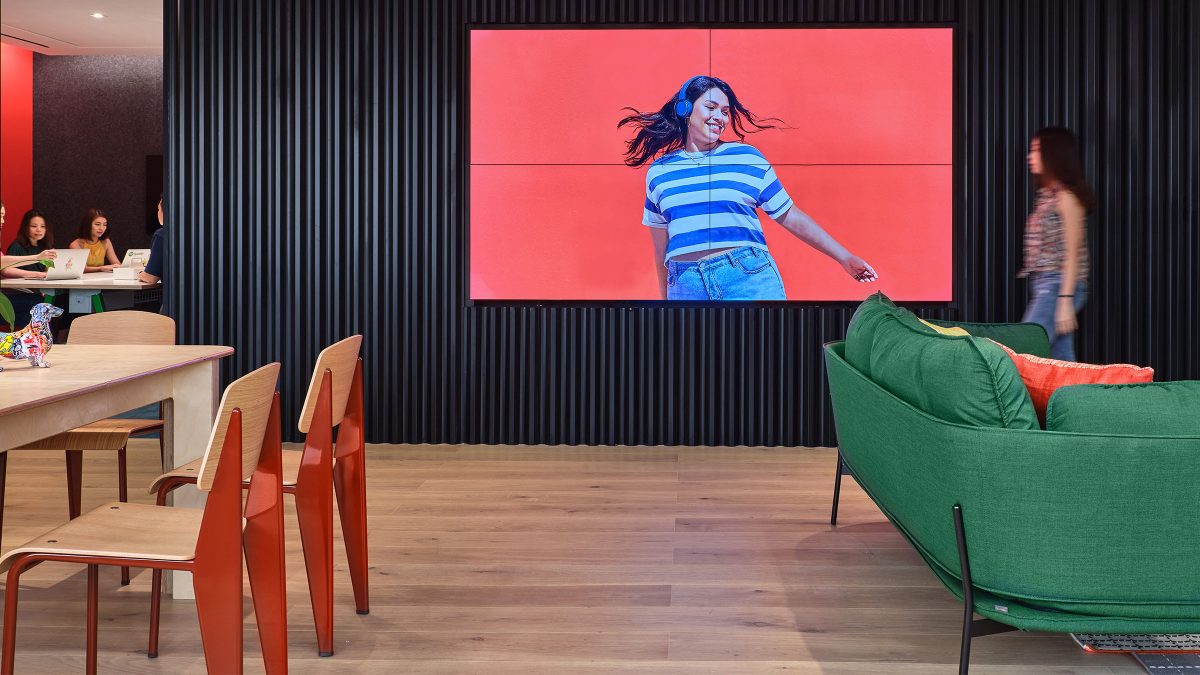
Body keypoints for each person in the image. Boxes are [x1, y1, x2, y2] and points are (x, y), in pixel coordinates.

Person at [619, 75, 877, 301]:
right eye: (711, 107)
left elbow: (791, 215)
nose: (719, 117)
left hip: (746, 277)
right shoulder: (660, 172)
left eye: (725, 112)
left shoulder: (746, 157)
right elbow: (660, 250)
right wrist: (666, 303)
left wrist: (844, 257)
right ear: (686, 109)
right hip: (686, 284)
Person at [1018, 126, 1094, 361]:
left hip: (1057, 285)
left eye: (1036, 150)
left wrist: (1064, 299)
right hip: (1046, 284)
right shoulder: (1047, 196)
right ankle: (1074, 398)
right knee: (1061, 360)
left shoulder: (1066, 198)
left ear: (1054, 154)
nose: (1030, 157)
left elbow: (1073, 254)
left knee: (1024, 352)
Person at [2, 210, 57, 327]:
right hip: (18, 293)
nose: (39, 230)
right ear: (25, 228)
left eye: (42, 226)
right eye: (34, 226)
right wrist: (37, 274)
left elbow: (48, 269)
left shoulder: (45, 246)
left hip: (38, 291)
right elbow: (6, 271)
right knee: (42, 305)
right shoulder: (16, 247)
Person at [70, 208, 121, 272]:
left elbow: (117, 264)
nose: (101, 228)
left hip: (101, 278)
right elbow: (83, 268)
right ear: (87, 225)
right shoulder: (76, 244)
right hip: (83, 280)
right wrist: (101, 268)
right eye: (97, 224)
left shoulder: (106, 242)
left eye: (105, 225)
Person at [138, 196, 166, 284]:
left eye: (158, 209)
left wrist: (140, 274)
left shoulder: (162, 235)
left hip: (176, 295)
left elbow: (150, 278)